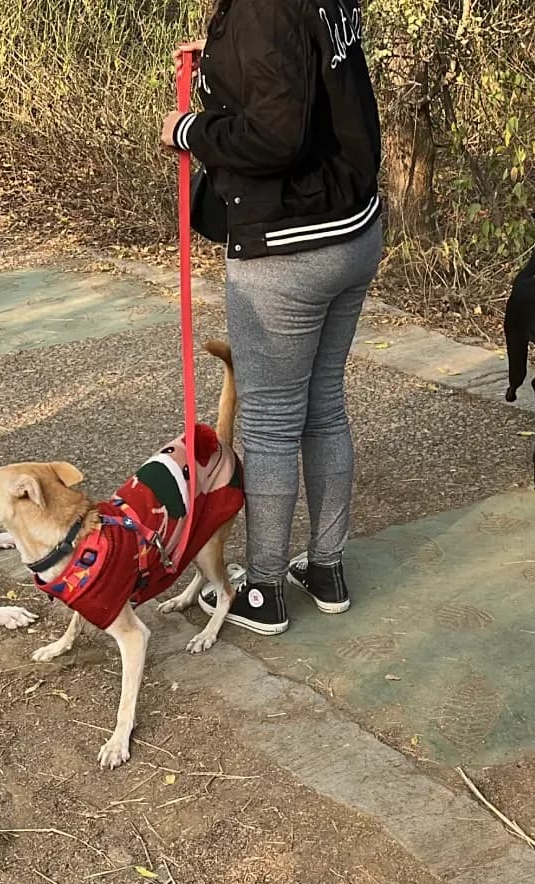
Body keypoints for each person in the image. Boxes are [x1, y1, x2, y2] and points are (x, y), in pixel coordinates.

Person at [159, 0, 382, 635]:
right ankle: (328, 568)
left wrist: (189, 130)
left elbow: (274, 136)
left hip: (288, 245)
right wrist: (217, 69)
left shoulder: (261, 9)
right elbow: (300, 82)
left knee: (269, 421)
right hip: (353, 228)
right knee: (322, 404)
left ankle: (262, 589)